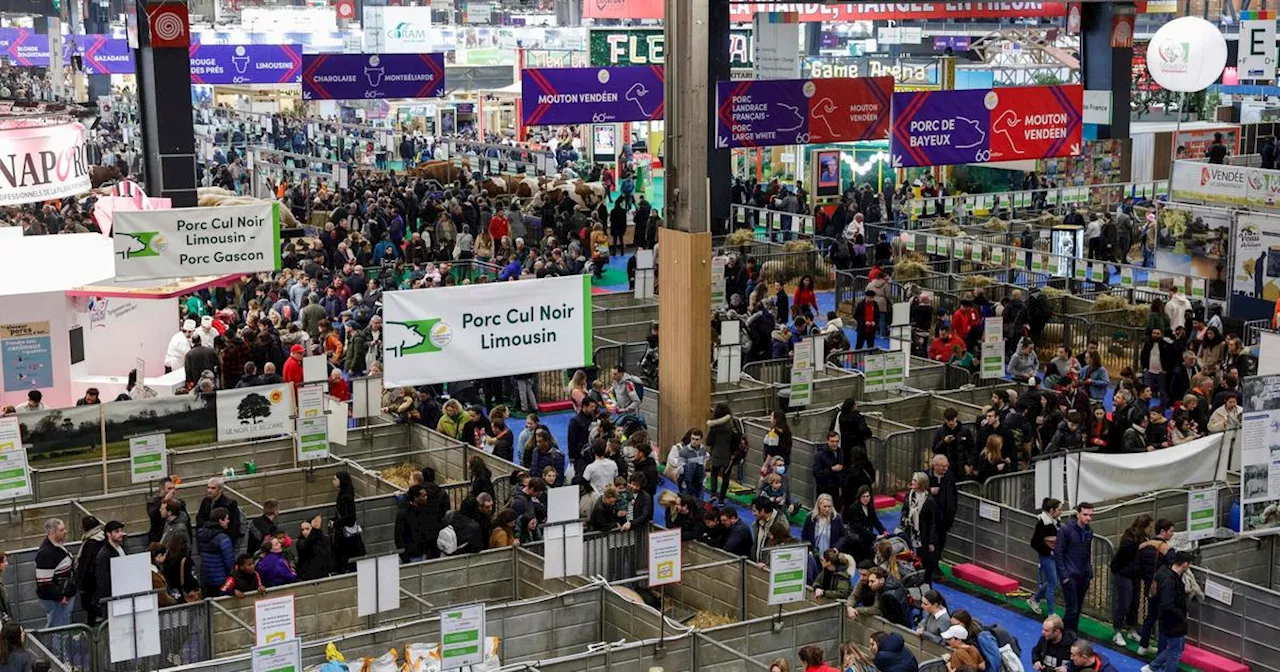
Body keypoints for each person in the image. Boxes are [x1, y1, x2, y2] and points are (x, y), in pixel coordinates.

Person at [1147, 551, 1193, 672]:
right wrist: (1180, 615)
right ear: (1184, 564)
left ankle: (1153, 666)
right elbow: (1167, 604)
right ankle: (1155, 667)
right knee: (1175, 652)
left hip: (1170, 619)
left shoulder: (1165, 574)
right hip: (1173, 620)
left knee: (1176, 647)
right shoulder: (1170, 581)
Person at [1110, 515, 1151, 647]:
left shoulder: (1145, 539)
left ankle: (1131, 628)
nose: (1151, 530)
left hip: (1136, 576)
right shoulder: (1129, 540)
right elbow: (1119, 559)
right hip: (1124, 575)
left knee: (1135, 603)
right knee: (1124, 603)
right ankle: (1117, 631)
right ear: (1143, 527)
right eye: (1149, 527)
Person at [1056, 501, 1094, 634]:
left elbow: (1088, 553)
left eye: (1090, 515)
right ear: (1078, 514)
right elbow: (1059, 553)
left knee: (1076, 609)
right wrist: (1064, 576)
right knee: (1072, 608)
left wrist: (1089, 572)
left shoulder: (1088, 532)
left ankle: (1070, 634)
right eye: (1085, 514)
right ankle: (1066, 634)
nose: (1088, 518)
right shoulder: (1066, 530)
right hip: (1070, 575)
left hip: (1083, 575)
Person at [34, 518, 74, 627]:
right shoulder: (46, 553)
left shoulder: (57, 546)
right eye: (61, 530)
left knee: (62, 624)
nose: (65, 531)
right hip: (56, 600)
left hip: (61, 596)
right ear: (52, 533)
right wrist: (60, 598)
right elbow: (44, 583)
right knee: (58, 628)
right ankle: (56, 645)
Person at [900, 471, 939, 583]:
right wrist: (904, 519)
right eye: (913, 479)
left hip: (923, 535)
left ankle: (926, 584)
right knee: (908, 558)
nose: (912, 482)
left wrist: (932, 541)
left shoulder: (930, 500)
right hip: (909, 531)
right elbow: (904, 510)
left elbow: (933, 522)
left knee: (925, 562)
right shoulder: (909, 495)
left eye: (915, 480)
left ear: (921, 483)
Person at [1029, 497, 1062, 616]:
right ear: (1052, 510)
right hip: (1047, 556)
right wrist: (1049, 550)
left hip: (1054, 555)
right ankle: (1051, 613)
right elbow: (1034, 542)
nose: (1061, 512)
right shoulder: (1042, 524)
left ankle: (1035, 599)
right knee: (1053, 583)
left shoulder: (1055, 521)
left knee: (1053, 582)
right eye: (1059, 509)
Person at [197, 507, 237, 596]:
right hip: (221, 579)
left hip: (206, 578)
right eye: (227, 519)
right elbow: (229, 562)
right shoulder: (223, 538)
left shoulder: (201, 533)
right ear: (220, 521)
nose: (229, 521)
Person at [842, 486, 887, 563]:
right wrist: (875, 536)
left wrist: (883, 531)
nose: (866, 499)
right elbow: (858, 527)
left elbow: (875, 521)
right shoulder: (853, 508)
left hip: (867, 538)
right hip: (857, 540)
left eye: (868, 496)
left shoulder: (870, 506)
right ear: (859, 497)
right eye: (864, 497)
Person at [91, 520, 127, 616]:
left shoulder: (121, 548)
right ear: (108, 534)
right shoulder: (104, 554)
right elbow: (102, 580)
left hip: (121, 592)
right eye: (117, 531)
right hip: (111, 597)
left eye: (121, 531)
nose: (121, 534)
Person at [332, 471, 365, 573]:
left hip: (346, 535)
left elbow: (350, 517)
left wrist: (336, 523)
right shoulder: (346, 493)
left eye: (335, 479)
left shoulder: (346, 497)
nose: (333, 481)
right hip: (347, 533)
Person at [196, 477, 243, 547]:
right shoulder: (205, 501)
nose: (209, 490)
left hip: (224, 541)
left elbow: (235, 525)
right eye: (208, 487)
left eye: (213, 488)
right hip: (207, 541)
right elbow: (199, 518)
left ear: (220, 489)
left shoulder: (229, 504)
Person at [707, 404, 738, 504]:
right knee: (726, 477)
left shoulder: (714, 426)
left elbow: (709, 441)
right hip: (728, 454)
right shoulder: (732, 425)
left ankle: (713, 493)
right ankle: (721, 499)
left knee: (714, 474)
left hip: (716, 453)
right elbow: (736, 439)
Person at [803, 494, 846, 566]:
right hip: (814, 556)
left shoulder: (837, 519)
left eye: (829, 506)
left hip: (831, 557)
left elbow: (843, 536)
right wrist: (810, 549)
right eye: (824, 506)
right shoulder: (811, 518)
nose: (827, 509)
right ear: (819, 505)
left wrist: (836, 548)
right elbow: (805, 535)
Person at [296, 515, 334, 581]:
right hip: (308, 578)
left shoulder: (324, 540)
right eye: (302, 530)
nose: (304, 532)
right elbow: (307, 545)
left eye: (307, 529)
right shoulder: (300, 542)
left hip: (324, 575)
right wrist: (315, 529)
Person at [814, 432, 845, 503]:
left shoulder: (840, 452)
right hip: (824, 489)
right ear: (827, 441)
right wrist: (831, 469)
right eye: (832, 441)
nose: (835, 444)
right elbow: (816, 473)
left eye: (837, 441)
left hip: (836, 487)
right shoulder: (820, 454)